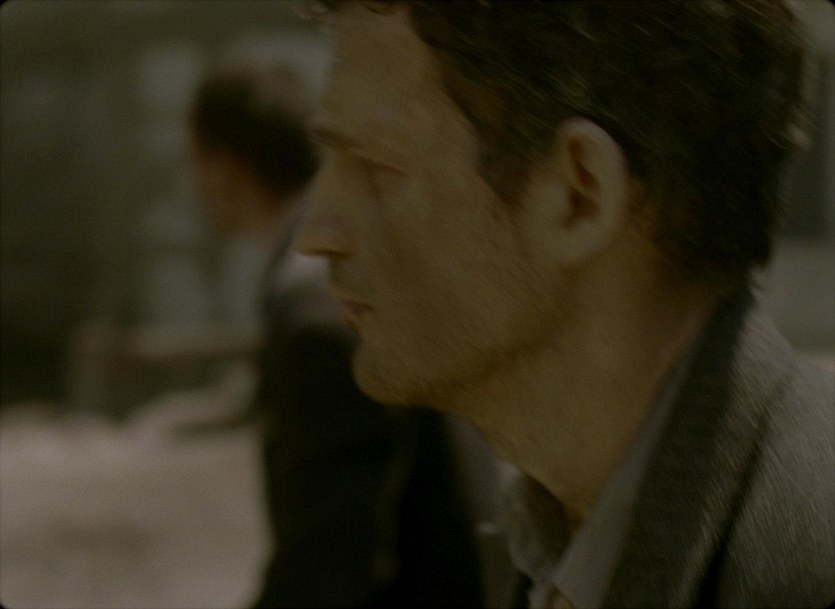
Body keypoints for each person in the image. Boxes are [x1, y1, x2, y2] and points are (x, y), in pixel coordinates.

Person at [297, 1, 835, 607]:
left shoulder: (801, 567)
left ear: (581, 196)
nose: (316, 235)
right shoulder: (559, 533)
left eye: (376, 167)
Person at [189, 53, 484, 608]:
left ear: (224, 165)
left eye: (195, 161)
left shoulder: (317, 312)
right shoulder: (328, 275)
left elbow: (329, 561)